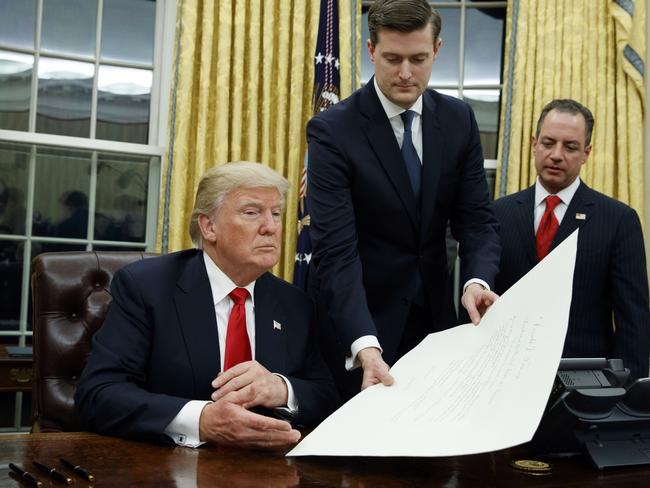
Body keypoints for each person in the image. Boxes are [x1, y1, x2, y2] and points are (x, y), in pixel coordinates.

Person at [307, 0, 501, 400]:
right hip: (358, 327)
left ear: (438, 51)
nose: (406, 73)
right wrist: (364, 345)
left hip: (433, 326)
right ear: (371, 50)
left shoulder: (459, 120)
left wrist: (476, 281)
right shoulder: (332, 131)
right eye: (393, 58)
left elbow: (477, 221)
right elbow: (337, 252)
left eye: (419, 58)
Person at [75, 162, 339, 448]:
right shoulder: (147, 287)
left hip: (267, 468)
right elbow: (98, 394)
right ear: (209, 226)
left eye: (276, 214)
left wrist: (282, 389)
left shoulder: (294, 303)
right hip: (168, 466)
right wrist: (202, 420)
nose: (271, 227)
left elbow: (327, 396)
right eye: (252, 213)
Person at [493, 99, 650, 380]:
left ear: (587, 152)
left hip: (585, 387)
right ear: (534, 143)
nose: (556, 155)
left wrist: (628, 398)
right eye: (548, 142)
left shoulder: (617, 220)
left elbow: (633, 321)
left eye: (570, 147)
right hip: (506, 379)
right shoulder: (498, 214)